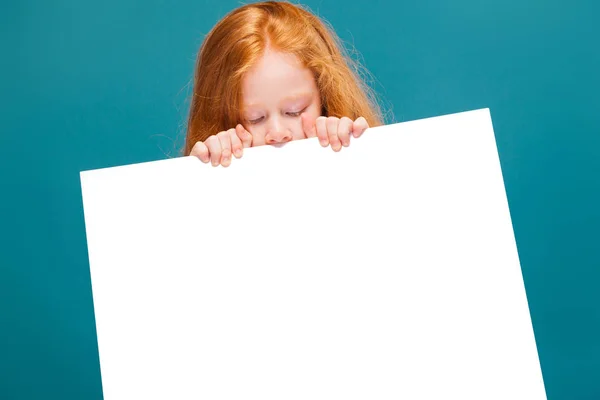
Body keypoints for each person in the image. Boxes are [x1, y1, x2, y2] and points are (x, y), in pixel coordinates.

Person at [184, 0, 385, 167]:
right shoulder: (211, 174)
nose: (278, 133)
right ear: (219, 118)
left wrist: (359, 154)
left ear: (326, 100)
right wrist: (200, 175)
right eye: (255, 118)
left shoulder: (350, 155)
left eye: (294, 111)